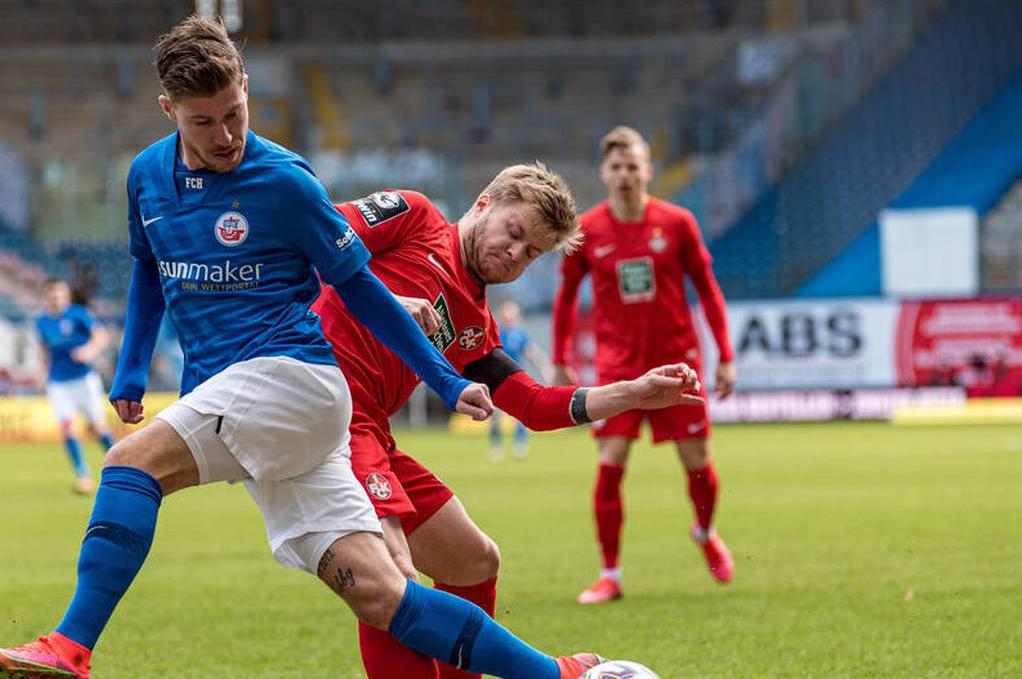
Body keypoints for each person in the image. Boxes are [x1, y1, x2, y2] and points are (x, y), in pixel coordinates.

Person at [0, 16, 619, 679]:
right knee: (382, 592)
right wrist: (132, 369)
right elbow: (148, 268)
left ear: (246, 90)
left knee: (131, 462)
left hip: (289, 376)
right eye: (203, 122)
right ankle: (557, 675)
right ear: (169, 111)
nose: (225, 136)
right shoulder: (145, 178)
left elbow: (359, 286)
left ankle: (69, 648)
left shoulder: (284, 181)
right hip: (269, 406)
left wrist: (446, 381)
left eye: (235, 114)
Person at [310, 168, 705, 679]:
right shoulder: (413, 215)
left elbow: (535, 405)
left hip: (370, 434)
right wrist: (379, 299)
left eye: (532, 253)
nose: (516, 253)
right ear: (484, 203)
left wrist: (633, 393)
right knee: (394, 578)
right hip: (326, 409)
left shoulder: (475, 329)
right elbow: (309, 241)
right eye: (514, 233)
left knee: (474, 561)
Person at [551, 126, 737, 605]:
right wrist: (560, 357)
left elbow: (708, 290)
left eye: (633, 166)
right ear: (604, 173)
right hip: (619, 369)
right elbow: (566, 298)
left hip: (678, 365)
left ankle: (705, 531)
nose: (625, 175)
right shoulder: (588, 230)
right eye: (616, 167)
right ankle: (609, 574)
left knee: (698, 465)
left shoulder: (677, 223)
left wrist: (725, 356)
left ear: (648, 170)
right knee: (610, 464)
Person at [34, 278, 115, 494]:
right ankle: (83, 476)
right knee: (68, 428)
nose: (55, 297)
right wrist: (42, 372)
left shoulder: (79, 314)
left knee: (97, 427)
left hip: (84, 379)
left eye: (59, 292)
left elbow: (101, 337)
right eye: (51, 293)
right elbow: (43, 349)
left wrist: (88, 351)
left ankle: (124, 465)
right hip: (59, 383)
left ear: (66, 295)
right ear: (46, 296)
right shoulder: (41, 321)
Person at [487, 299, 554, 460]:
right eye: (506, 312)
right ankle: (496, 444)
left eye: (512, 312)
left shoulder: (520, 336)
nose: (509, 316)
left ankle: (520, 443)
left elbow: (534, 354)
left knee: (520, 414)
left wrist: (546, 369)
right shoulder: (495, 333)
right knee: (495, 415)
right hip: (496, 380)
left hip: (516, 380)